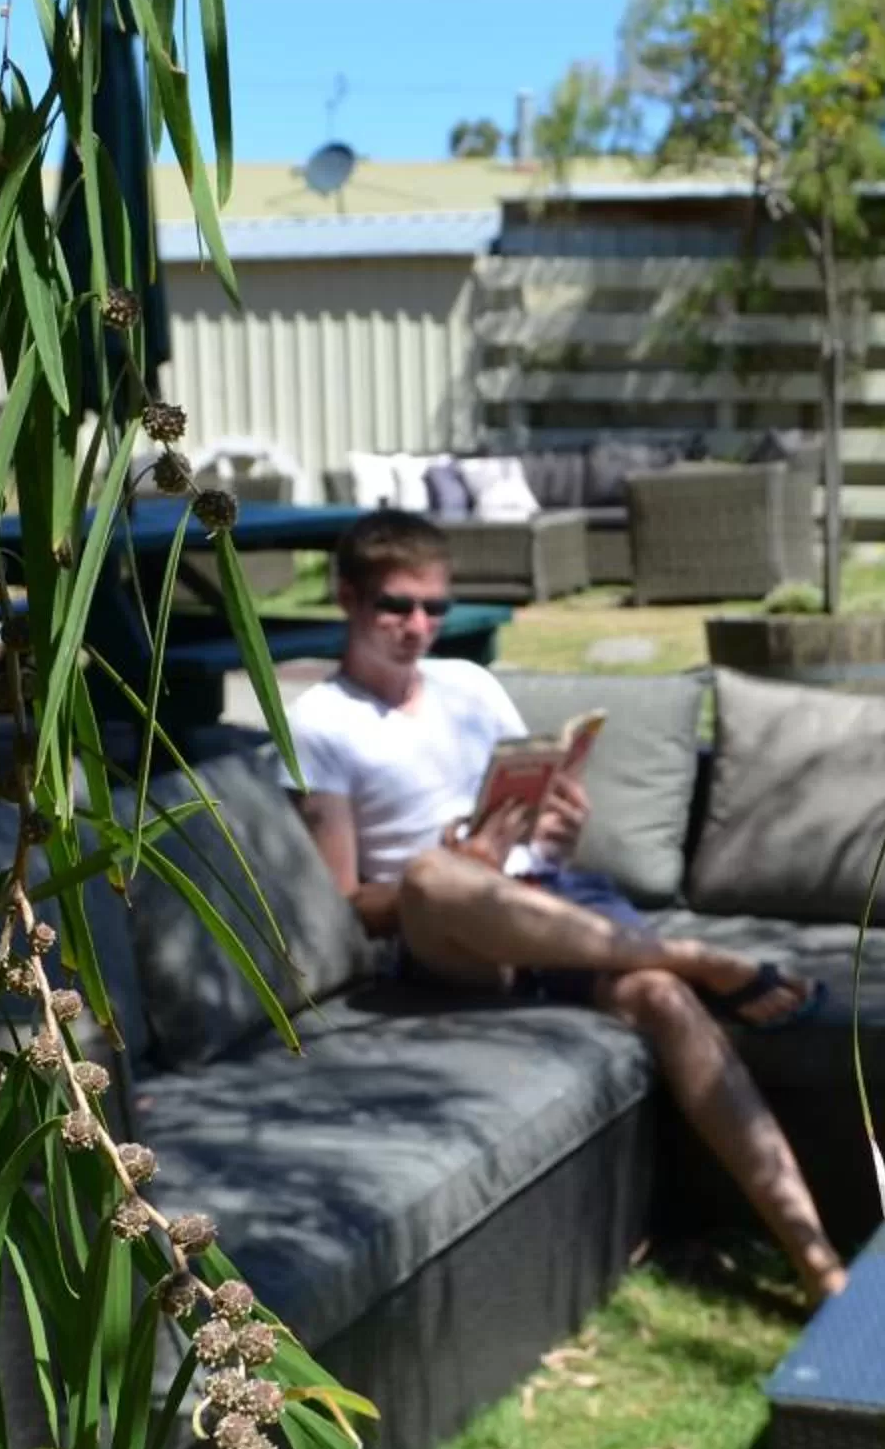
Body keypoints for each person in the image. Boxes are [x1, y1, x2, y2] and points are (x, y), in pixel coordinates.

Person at [291, 510, 848, 1301]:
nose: (418, 626)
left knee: (659, 998)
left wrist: (562, 829)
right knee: (428, 874)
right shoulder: (320, 723)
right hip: (449, 934)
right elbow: (349, 905)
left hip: (548, 903)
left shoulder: (471, 685)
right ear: (347, 598)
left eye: (434, 608)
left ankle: (816, 1261)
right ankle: (696, 955)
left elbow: (543, 829)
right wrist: (467, 864)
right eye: (395, 606)